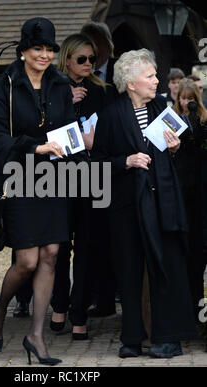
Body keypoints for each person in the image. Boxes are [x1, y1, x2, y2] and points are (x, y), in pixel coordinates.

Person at [92, 49, 197, 358]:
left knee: (166, 269)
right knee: (129, 270)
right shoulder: (111, 115)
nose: (156, 81)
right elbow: (96, 163)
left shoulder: (162, 108)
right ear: (131, 82)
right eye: (150, 76)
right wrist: (126, 160)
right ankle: (132, 339)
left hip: (162, 203)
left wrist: (175, 149)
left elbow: (172, 153)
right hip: (126, 207)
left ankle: (168, 338)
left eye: (155, 75)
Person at [0, 17, 76, 365]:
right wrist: (36, 148)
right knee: (27, 260)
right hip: (19, 178)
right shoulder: (4, 84)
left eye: (50, 49)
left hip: (54, 180)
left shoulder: (60, 84)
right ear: (23, 51)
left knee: (51, 253)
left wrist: (78, 141)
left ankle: (36, 336)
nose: (45, 55)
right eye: (38, 48)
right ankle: (0, 309)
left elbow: (67, 130)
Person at [49, 33, 115, 340]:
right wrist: (66, 105)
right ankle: (59, 304)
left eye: (92, 59)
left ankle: (79, 314)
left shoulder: (104, 92)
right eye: (82, 59)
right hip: (59, 176)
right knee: (59, 245)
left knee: (88, 246)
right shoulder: (51, 88)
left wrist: (95, 140)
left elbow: (113, 132)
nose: (89, 64)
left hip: (94, 175)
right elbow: (40, 132)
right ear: (67, 59)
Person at [80, 20, 119, 316]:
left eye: (96, 46)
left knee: (110, 234)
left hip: (115, 163)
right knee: (89, 236)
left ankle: (108, 295)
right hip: (84, 168)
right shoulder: (78, 79)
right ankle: (92, 296)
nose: (92, 54)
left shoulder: (120, 73)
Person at [173, 78, 207, 321]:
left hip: (200, 193)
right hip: (180, 191)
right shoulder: (171, 121)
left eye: (191, 99)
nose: (187, 103)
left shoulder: (204, 122)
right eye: (183, 99)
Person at [80, 21, 117, 85]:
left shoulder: (121, 69)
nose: (95, 50)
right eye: (90, 45)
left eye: (98, 44)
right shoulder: (75, 72)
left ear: (109, 46)